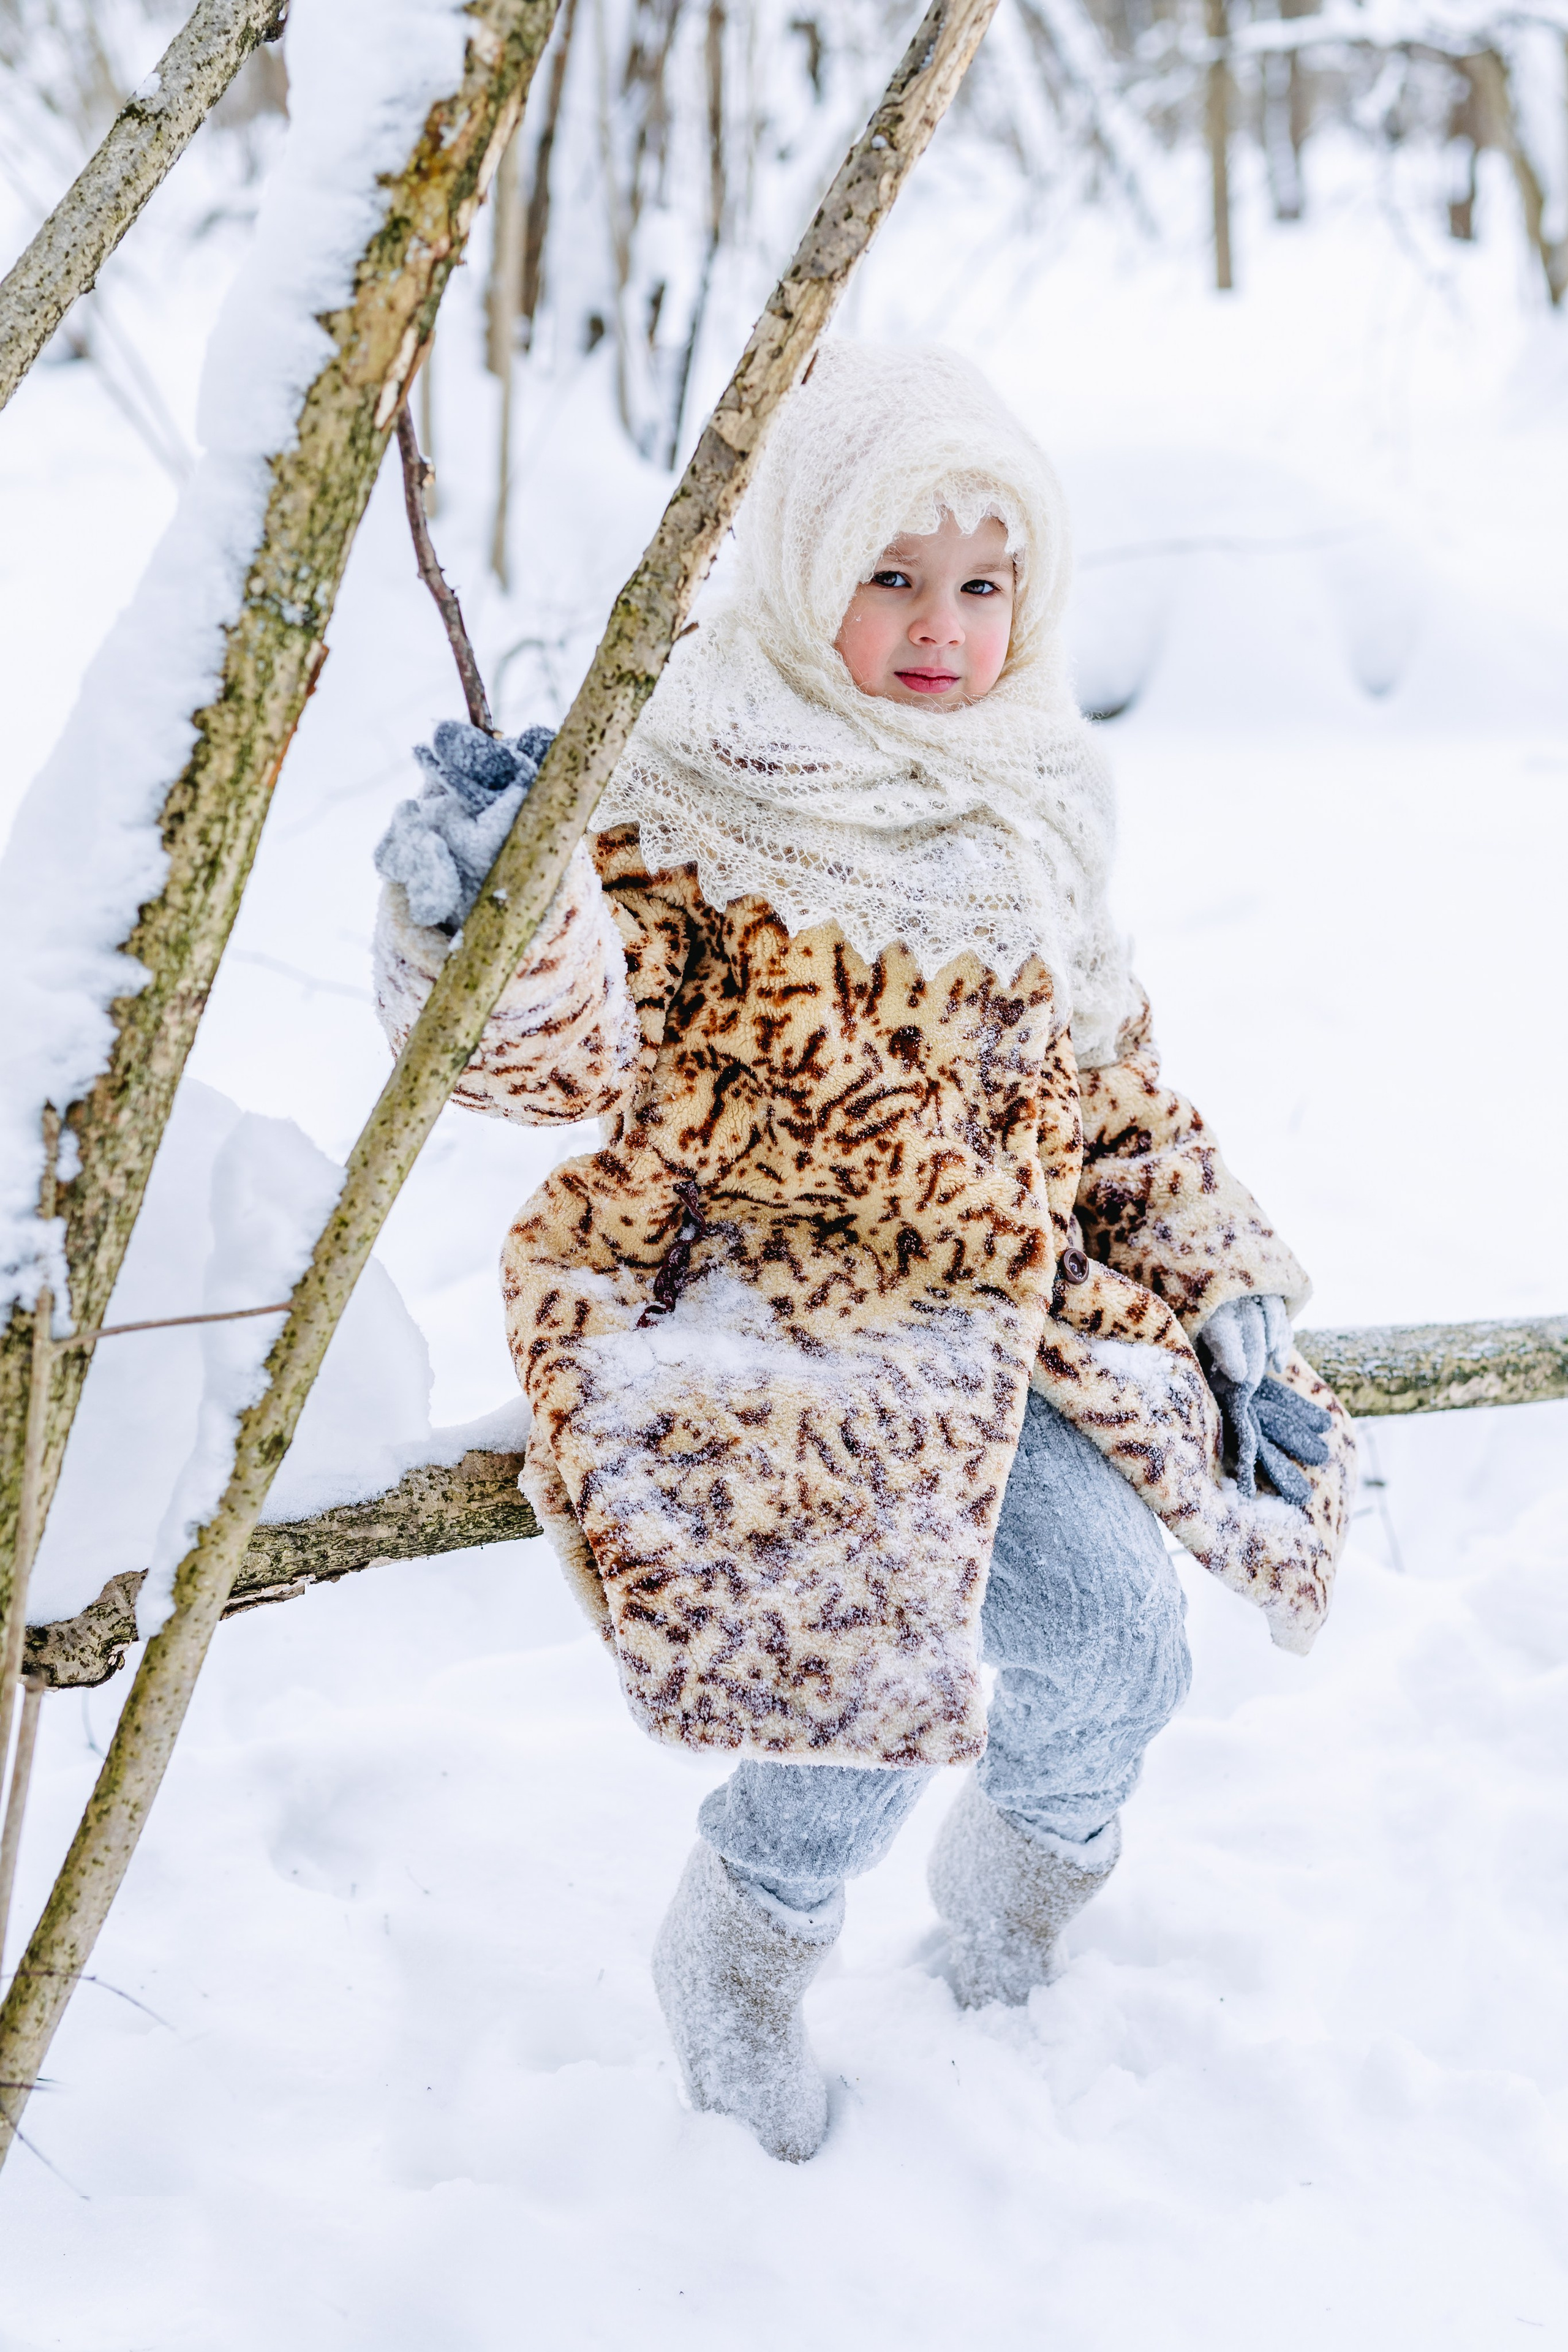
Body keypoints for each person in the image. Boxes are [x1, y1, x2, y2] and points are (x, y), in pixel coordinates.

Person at [372, 344, 1355, 2165]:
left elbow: (1115, 1085)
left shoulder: (1033, 796)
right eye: (889, 575)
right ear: (801, 561)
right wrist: (499, 909)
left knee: (1118, 1639)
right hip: (768, 1315)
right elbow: (568, 1046)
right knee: (856, 1659)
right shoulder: (690, 792)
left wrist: (1225, 1288)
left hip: (1002, 1312)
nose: (939, 626)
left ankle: (1019, 1913)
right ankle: (745, 1948)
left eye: (984, 585)